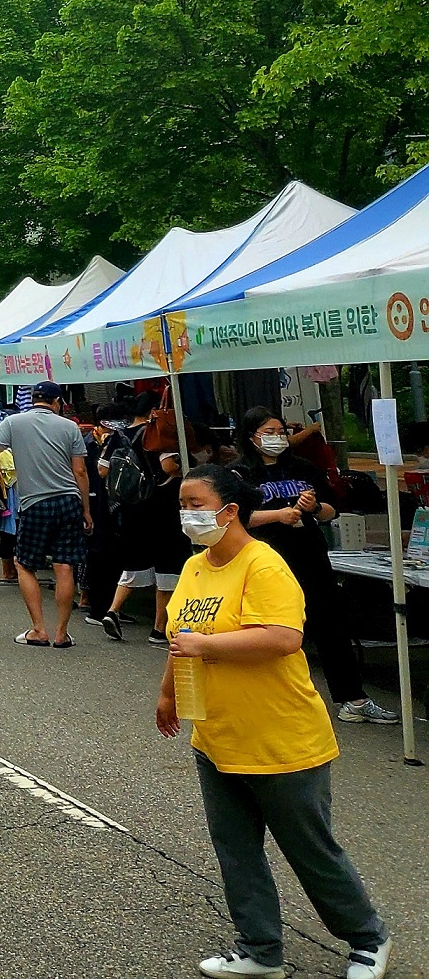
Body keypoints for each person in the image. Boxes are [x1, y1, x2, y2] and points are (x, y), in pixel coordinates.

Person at [158, 465, 392, 979]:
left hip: (281, 738)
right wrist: (167, 693)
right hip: (218, 735)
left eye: (195, 503)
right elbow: (181, 636)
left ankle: (368, 939)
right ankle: (260, 950)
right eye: (183, 503)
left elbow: (283, 637)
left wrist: (207, 646)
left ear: (229, 510)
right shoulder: (196, 567)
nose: (186, 513)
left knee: (310, 849)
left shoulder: (264, 566)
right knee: (236, 851)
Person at [234, 407, 399, 725]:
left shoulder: (304, 468)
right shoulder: (239, 473)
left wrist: (315, 507)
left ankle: (354, 699)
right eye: (269, 433)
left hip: (310, 555)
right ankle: (265, 698)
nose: (277, 438)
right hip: (265, 560)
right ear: (251, 437)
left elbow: (330, 512)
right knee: (269, 628)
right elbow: (236, 517)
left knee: (331, 624)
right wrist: (278, 515)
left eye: (280, 431)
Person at [0, 381, 90, 649]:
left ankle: (39, 630)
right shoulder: (70, 427)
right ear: (57, 403)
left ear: (33, 399)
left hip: (35, 503)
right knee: (64, 566)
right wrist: (86, 509)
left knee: (25, 564)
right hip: (68, 501)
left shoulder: (13, 423)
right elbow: (80, 471)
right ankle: (61, 634)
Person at [92, 394, 189, 645]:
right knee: (167, 565)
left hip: (132, 506)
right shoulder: (158, 432)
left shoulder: (118, 435)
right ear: (153, 410)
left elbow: (102, 469)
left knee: (134, 562)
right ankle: (158, 629)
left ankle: (112, 610)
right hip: (162, 504)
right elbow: (168, 467)